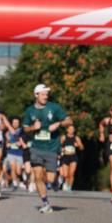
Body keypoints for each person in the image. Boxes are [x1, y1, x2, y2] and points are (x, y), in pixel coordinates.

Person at [23, 84, 71, 214]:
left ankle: (55, 181)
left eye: (47, 94)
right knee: (38, 176)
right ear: (36, 95)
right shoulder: (30, 111)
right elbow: (25, 128)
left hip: (52, 147)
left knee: (49, 178)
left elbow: (69, 121)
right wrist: (33, 128)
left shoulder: (54, 108)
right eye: (43, 94)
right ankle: (45, 203)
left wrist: (58, 123)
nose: (45, 96)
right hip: (36, 148)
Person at [58, 124, 83, 192]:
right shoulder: (63, 137)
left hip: (73, 156)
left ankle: (69, 186)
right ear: (67, 130)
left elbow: (82, 147)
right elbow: (59, 146)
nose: (71, 130)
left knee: (71, 173)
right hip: (65, 156)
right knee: (65, 174)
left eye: (73, 129)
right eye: (70, 129)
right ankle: (65, 182)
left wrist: (78, 145)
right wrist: (61, 149)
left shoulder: (76, 138)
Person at [4, 116, 25, 190]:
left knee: (18, 171)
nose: (15, 124)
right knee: (13, 168)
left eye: (17, 123)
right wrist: (8, 144)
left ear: (19, 124)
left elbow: (24, 141)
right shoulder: (8, 132)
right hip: (11, 153)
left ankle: (21, 180)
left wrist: (20, 143)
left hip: (19, 153)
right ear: (11, 123)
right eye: (14, 122)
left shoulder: (22, 131)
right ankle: (14, 183)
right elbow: (7, 143)